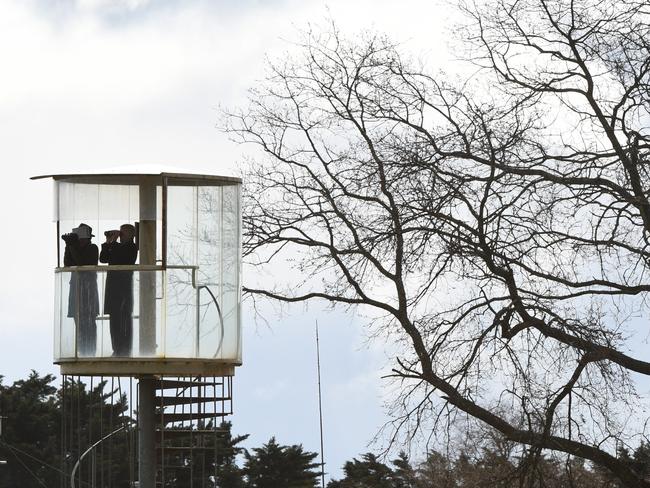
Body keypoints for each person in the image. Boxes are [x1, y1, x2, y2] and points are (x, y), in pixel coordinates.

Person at [100, 223, 138, 356]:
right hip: (113, 286)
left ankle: (125, 349)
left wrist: (113, 242)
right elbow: (103, 259)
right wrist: (108, 242)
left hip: (123, 287)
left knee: (124, 318)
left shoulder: (132, 247)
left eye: (123, 233)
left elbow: (120, 257)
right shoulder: (116, 247)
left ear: (131, 234)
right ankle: (116, 348)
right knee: (114, 318)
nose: (120, 236)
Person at [62, 223, 99, 357]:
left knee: (89, 323)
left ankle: (90, 350)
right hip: (76, 290)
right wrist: (68, 246)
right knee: (79, 323)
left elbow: (81, 262)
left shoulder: (93, 248)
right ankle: (82, 350)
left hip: (88, 291)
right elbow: (67, 263)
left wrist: (72, 246)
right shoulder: (75, 248)